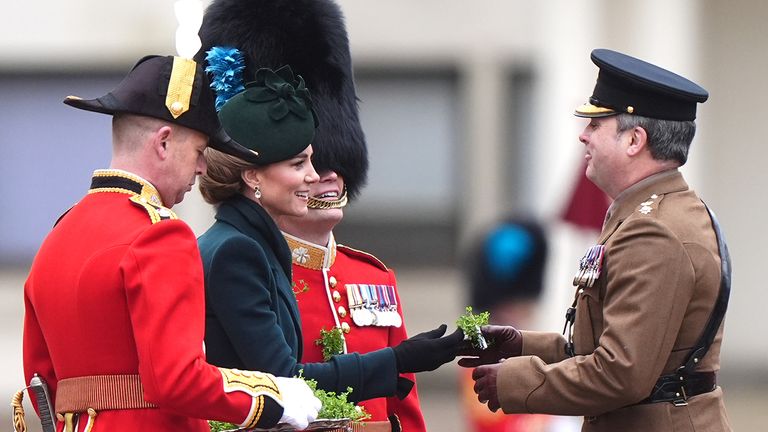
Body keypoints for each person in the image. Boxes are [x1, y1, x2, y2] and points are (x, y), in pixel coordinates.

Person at [21, 55, 321, 432]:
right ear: (164, 142)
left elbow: (40, 380)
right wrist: (271, 399)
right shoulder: (160, 232)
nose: (202, 168)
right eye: (198, 151)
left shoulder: (58, 235)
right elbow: (178, 379)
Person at [460, 49, 732, 431]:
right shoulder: (658, 214)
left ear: (635, 140)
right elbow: (609, 348)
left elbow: (621, 373)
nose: (583, 135)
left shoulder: (654, 232)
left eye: (596, 124)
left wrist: (514, 381)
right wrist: (522, 344)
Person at [197, 1, 428, 430]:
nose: (324, 177)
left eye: (317, 162)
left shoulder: (373, 278)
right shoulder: (240, 261)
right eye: (302, 163)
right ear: (255, 176)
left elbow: (404, 414)